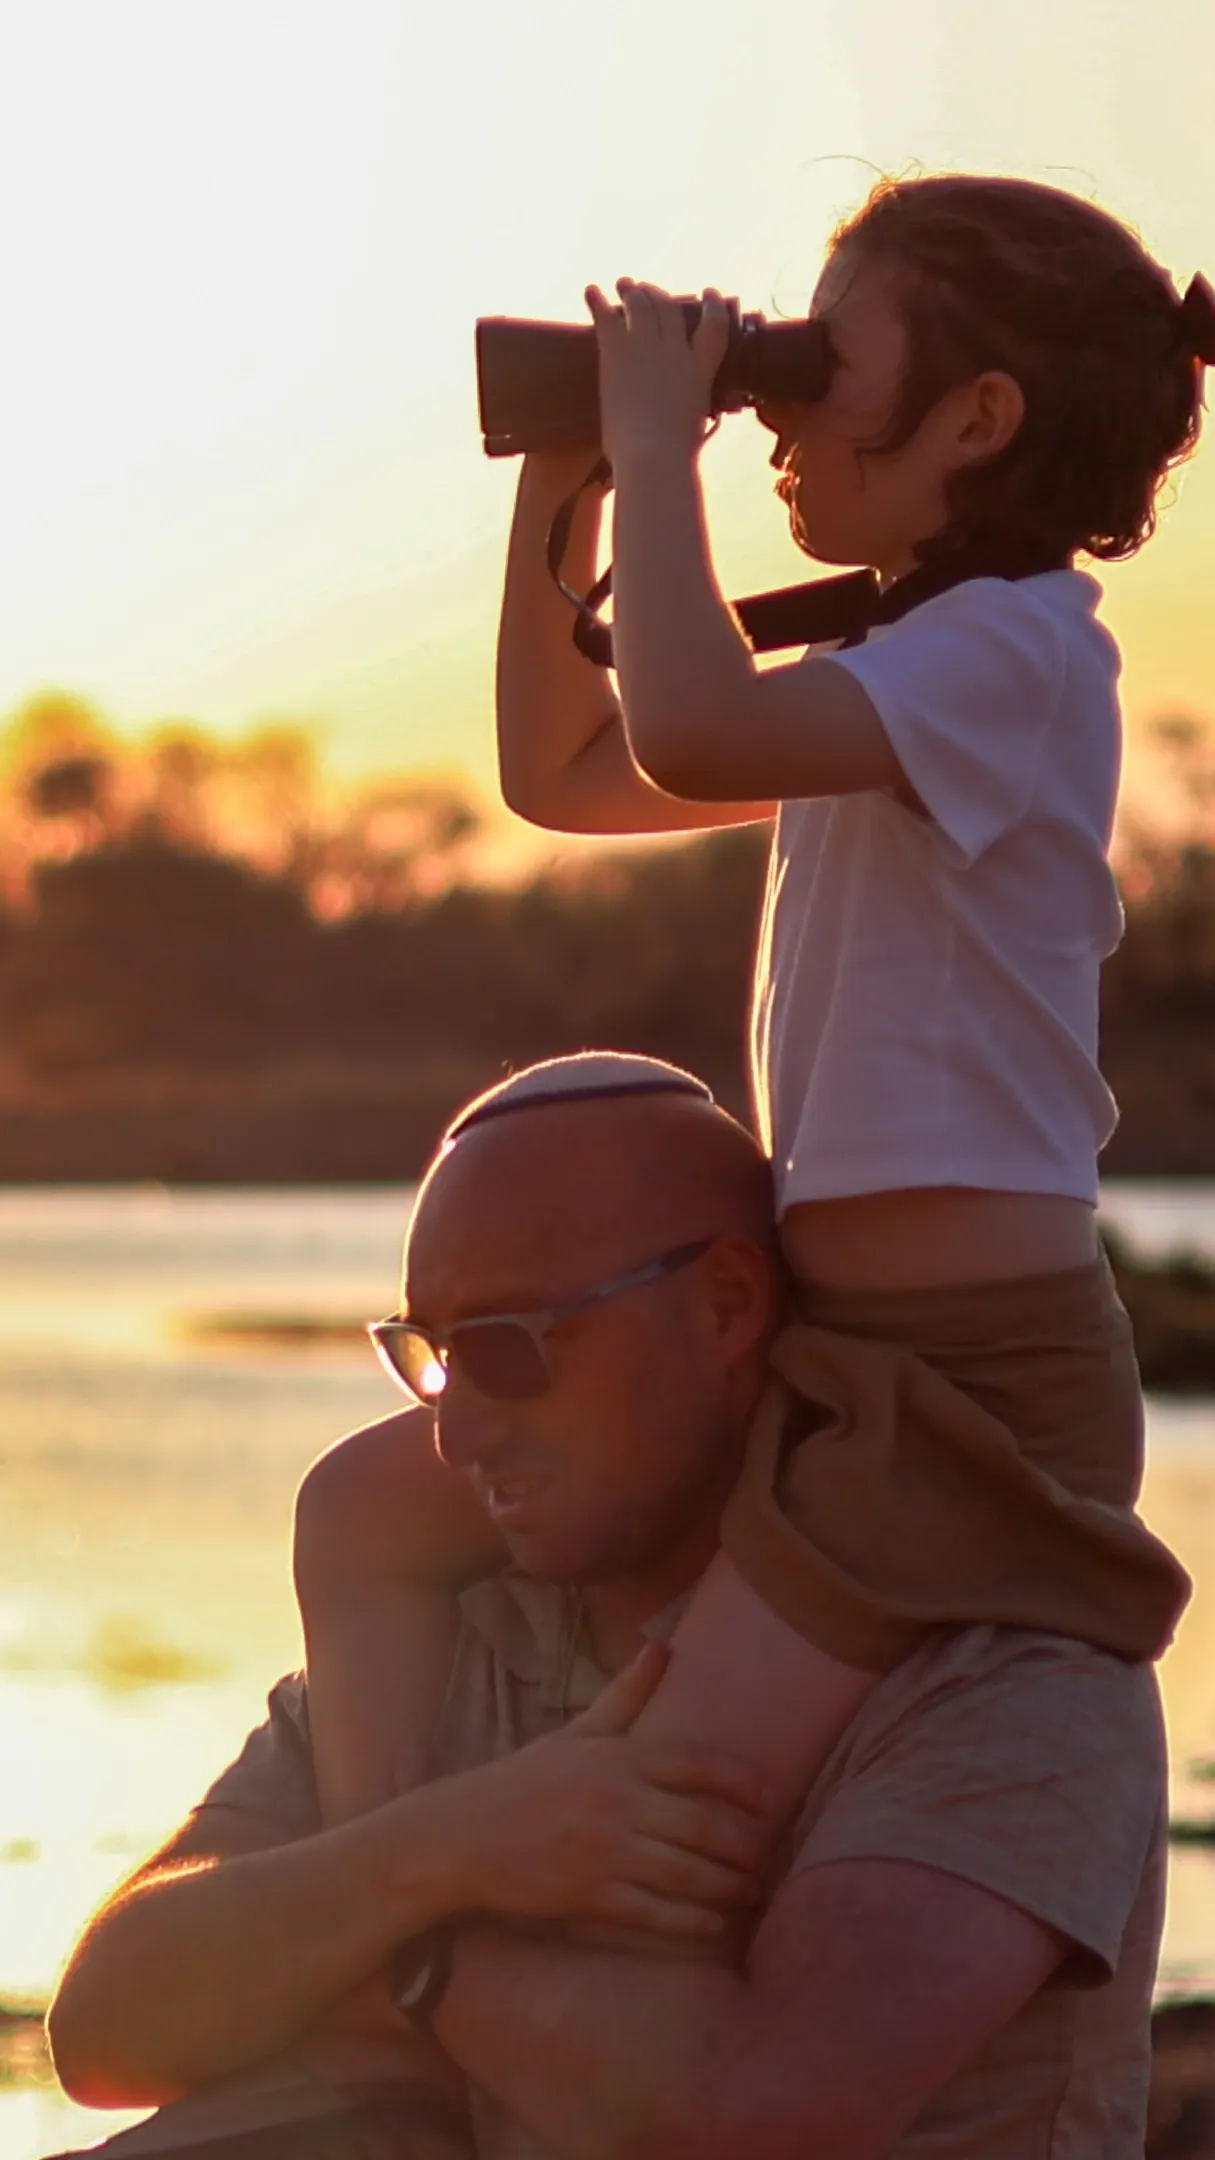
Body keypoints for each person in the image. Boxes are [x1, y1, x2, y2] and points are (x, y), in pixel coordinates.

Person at [294, 173, 1203, 1840]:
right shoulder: (901, 670)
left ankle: (438, 1948)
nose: (770, 398)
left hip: (974, 1397)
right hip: (823, 1354)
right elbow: (565, 772)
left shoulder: (1018, 657)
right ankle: (370, 1900)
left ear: (975, 420)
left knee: (673, 1788)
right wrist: (571, 468)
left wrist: (659, 450)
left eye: (817, 361)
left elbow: (688, 733)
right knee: (364, 1511)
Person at [48, 1058, 1170, 2158]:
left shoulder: (1007, 1680)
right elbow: (104, 2030)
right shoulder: (455, 1642)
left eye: (506, 1349)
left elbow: (759, 2114)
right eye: (430, 1358)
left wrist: (414, 1955)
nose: (458, 1431)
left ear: (727, 1306)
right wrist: (447, 1846)